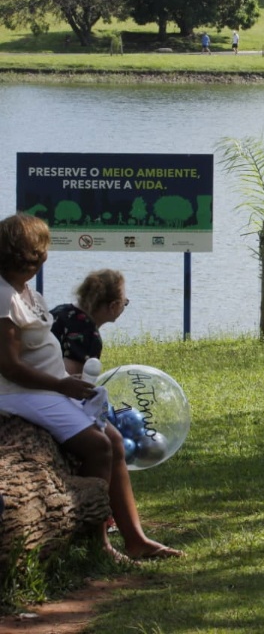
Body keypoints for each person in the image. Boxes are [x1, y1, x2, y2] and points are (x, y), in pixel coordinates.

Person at [0, 214, 184, 562]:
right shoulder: (2, 295)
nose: (46, 257)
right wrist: (61, 385)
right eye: (42, 250)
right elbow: (9, 366)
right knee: (98, 446)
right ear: (31, 253)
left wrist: (68, 384)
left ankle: (136, 538)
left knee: (114, 439)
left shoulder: (26, 292)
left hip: (48, 389)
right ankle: (97, 542)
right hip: (20, 393)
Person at [51, 269, 127, 375]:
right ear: (113, 306)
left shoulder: (61, 310)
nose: (125, 305)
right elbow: (71, 382)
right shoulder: (89, 335)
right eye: (125, 302)